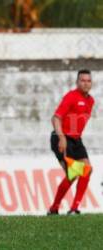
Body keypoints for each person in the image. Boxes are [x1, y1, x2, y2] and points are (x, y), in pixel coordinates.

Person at [48, 69, 94, 215]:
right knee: (74, 173)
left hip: (76, 140)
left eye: (88, 81)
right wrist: (62, 138)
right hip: (62, 138)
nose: (86, 83)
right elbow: (55, 118)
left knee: (86, 169)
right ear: (77, 82)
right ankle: (59, 208)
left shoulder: (90, 100)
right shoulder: (71, 96)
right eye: (82, 80)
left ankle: (71, 208)